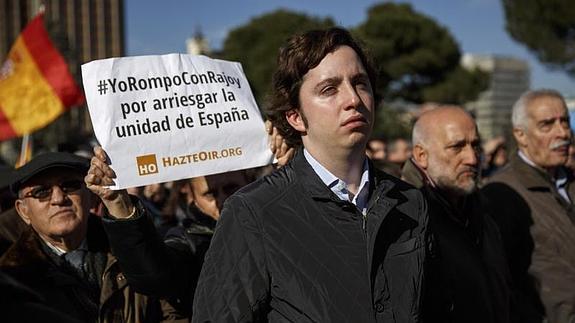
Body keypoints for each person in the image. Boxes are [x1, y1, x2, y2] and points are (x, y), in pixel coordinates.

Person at [86, 27, 428, 322]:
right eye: (329, 89)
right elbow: (163, 278)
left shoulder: (411, 202)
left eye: (360, 83)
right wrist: (121, 207)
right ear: (295, 117)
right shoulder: (253, 212)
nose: (353, 99)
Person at [0, 152, 173, 322]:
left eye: (69, 185)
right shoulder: (14, 277)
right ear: (23, 210)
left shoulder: (134, 251)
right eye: (41, 192)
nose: (59, 198)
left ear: (91, 196)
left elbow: (171, 310)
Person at [402, 106, 510, 323]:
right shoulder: (404, 220)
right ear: (421, 156)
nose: (472, 158)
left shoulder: (483, 212)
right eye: (456, 147)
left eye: (476, 145)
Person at [482, 89, 575, 323]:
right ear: (521, 135)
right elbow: (499, 283)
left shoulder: (569, 180)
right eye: (547, 124)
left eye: (564, 121)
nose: (562, 133)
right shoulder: (501, 194)